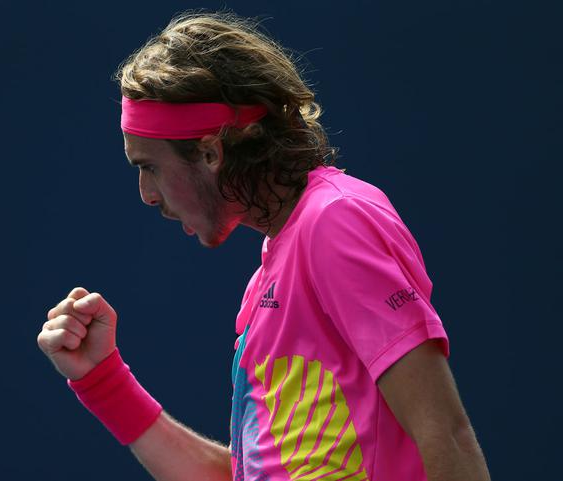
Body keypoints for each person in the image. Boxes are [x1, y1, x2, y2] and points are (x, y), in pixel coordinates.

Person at [37, 11, 491, 481]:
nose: (147, 195)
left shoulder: (335, 221)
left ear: (212, 152)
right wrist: (102, 380)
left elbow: (446, 434)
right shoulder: (275, 268)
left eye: (148, 166)